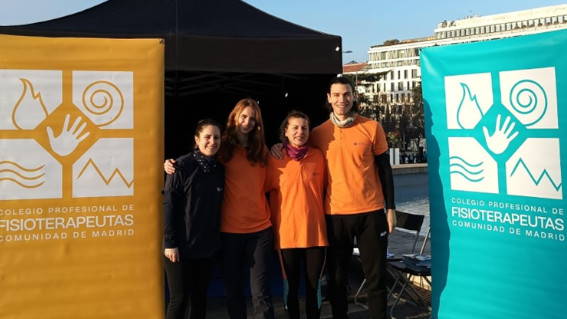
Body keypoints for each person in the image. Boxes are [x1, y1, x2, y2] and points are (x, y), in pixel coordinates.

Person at [271, 76, 396, 319]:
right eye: (336, 95)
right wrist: (278, 146)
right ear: (328, 98)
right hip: (335, 215)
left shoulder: (372, 127)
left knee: (376, 279)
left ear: (354, 96)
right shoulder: (317, 133)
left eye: (346, 94)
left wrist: (390, 208)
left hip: (370, 213)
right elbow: (296, 148)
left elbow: (385, 169)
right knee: (337, 281)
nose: (342, 100)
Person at [165, 98, 274, 319]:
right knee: (228, 291)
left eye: (252, 118)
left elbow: (272, 183)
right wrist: (169, 165)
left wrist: (280, 147)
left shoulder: (262, 151)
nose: (247, 122)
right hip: (227, 232)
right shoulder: (220, 148)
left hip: (258, 230)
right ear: (234, 117)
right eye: (243, 116)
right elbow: (174, 194)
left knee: (259, 292)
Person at [265, 111, 328, 319]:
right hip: (287, 236)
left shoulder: (319, 157)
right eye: (295, 127)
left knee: (313, 287)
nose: (300, 132)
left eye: (304, 128)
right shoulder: (274, 159)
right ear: (286, 131)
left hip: (316, 235)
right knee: (290, 288)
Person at [163, 119, 225, 319]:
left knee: (199, 299)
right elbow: (169, 205)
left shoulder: (220, 170)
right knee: (179, 299)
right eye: (207, 137)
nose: (212, 142)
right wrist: (170, 242)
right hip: (179, 247)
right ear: (197, 139)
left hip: (205, 247)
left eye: (216, 137)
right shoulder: (180, 166)